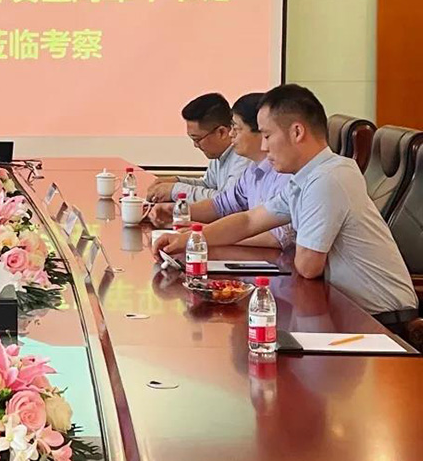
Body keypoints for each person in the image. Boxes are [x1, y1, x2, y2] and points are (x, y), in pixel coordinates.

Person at [154, 84, 418, 335]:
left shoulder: (328, 179)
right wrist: (187, 240)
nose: (264, 146)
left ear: (297, 132)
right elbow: (249, 220)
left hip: (382, 320)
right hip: (346, 308)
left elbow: (308, 265)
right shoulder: (305, 178)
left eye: (268, 136)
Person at [150, 93, 295, 248]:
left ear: (262, 132)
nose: (231, 134)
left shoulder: (285, 174)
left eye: (237, 129)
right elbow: (221, 205)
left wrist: (205, 234)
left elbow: (276, 237)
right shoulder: (253, 170)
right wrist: (176, 211)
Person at [147, 92, 252, 203]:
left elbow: (227, 201)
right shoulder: (220, 154)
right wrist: (176, 181)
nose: (195, 145)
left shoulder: (244, 156)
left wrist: (175, 190)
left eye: (197, 139)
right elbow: (208, 186)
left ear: (221, 132)